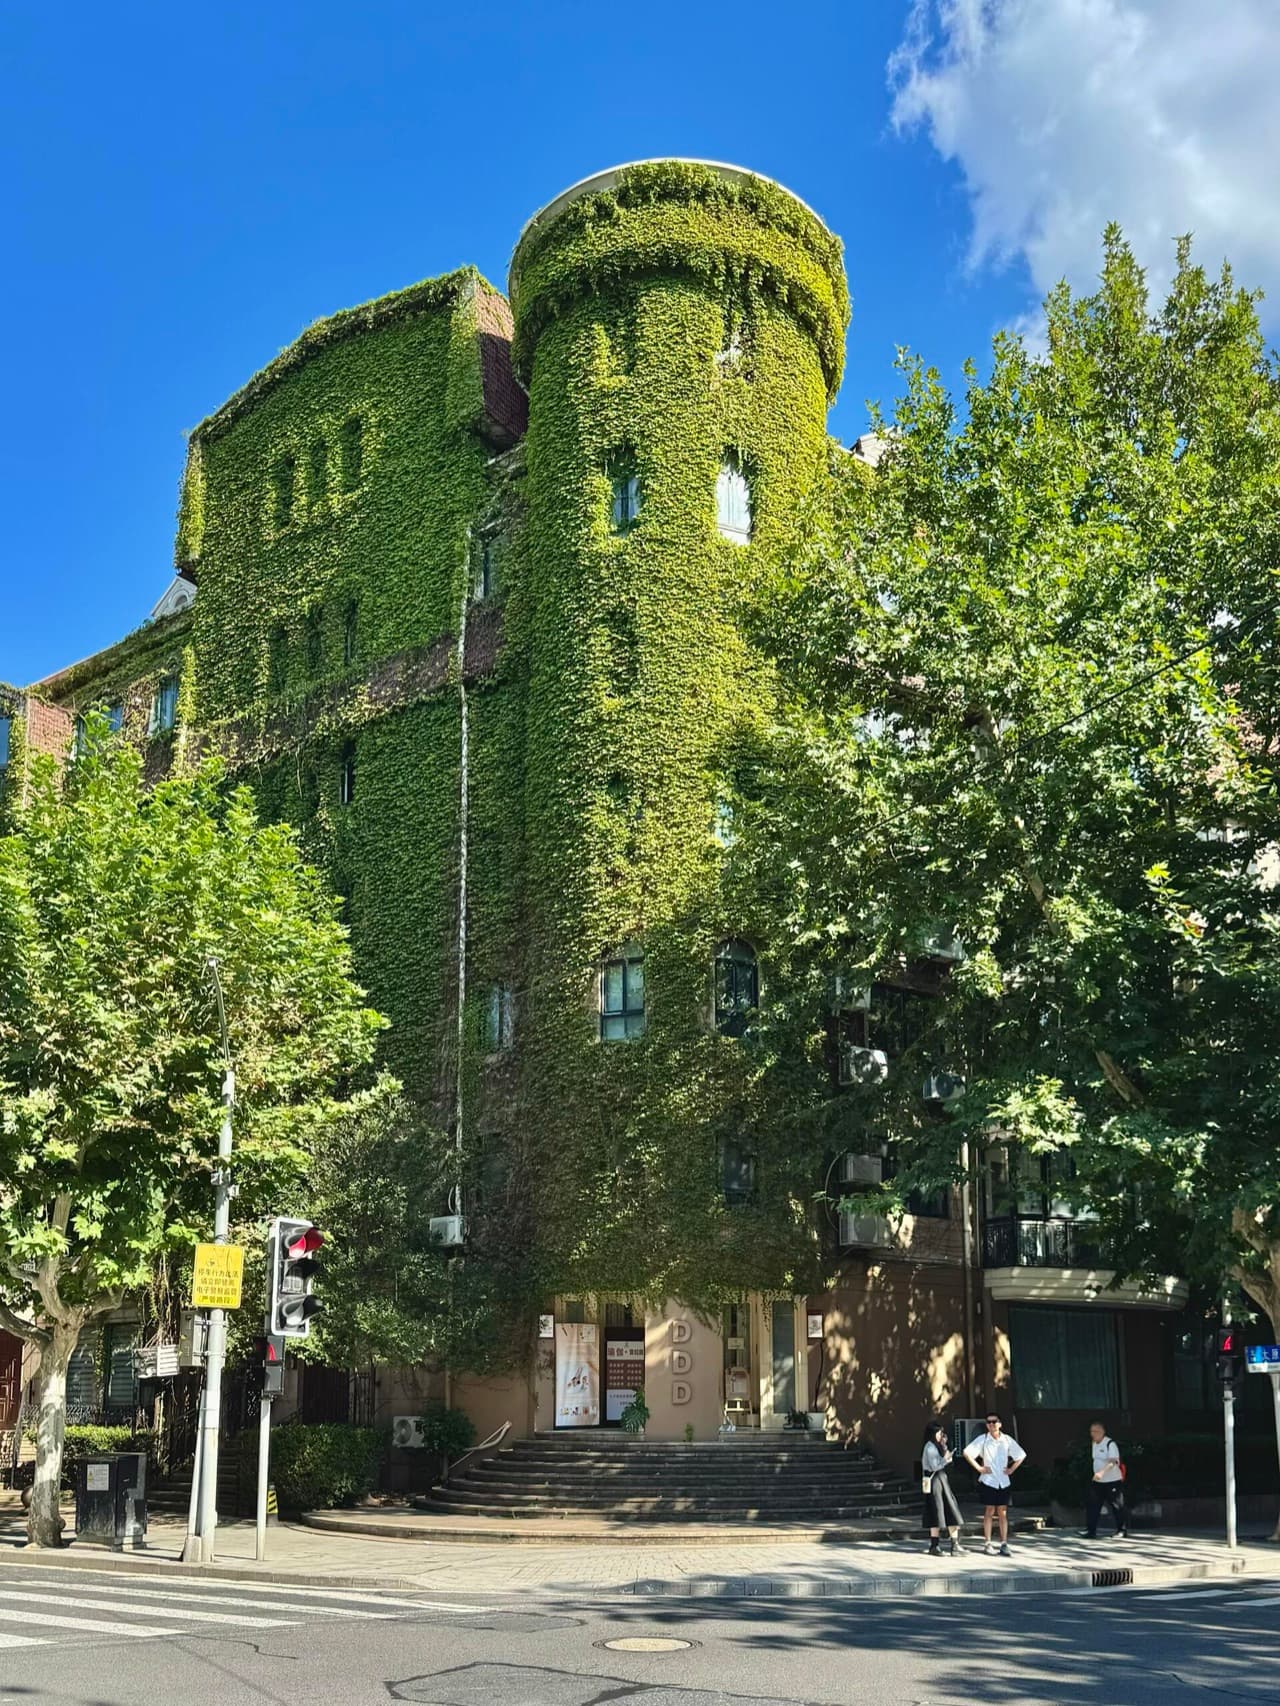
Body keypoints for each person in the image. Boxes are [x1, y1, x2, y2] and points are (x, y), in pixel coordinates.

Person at [963, 1412, 1026, 1556]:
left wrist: (1011, 1469)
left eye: (994, 1421)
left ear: (1000, 1424)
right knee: (989, 1511)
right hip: (989, 1480)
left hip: (1003, 1480)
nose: (991, 1424)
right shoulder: (983, 1439)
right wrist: (979, 1468)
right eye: (988, 1422)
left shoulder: (1007, 1440)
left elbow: (1021, 1455)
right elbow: (967, 1452)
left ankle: (1004, 1543)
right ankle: (988, 1543)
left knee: (1002, 1512)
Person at [921, 1419, 965, 1556]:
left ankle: (946, 1544)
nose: (941, 1435)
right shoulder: (930, 1447)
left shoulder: (933, 1446)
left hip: (939, 1480)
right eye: (939, 1433)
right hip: (936, 1481)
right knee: (939, 1510)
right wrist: (945, 1459)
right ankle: (944, 1545)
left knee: (944, 1509)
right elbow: (935, 1466)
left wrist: (945, 1451)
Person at [1083, 1420, 1127, 1539]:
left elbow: (1113, 1462)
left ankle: (1121, 1530)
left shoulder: (1110, 1444)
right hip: (1098, 1481)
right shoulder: (1094, 1443)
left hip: (1112, 1481)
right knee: (1093, 1505)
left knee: (1117, 1506)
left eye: (1096, 1431)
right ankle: (1091, 1531)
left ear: (1103, 1431)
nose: (1093, 1433)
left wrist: (1102, 1472)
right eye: (1091, 1431)